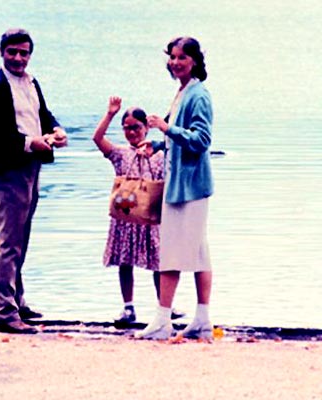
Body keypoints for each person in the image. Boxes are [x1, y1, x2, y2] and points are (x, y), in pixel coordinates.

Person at [0, 28, 68, 334]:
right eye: (12, 52)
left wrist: (56, 129)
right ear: (1, 51)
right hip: (7, 168)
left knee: (21, 236)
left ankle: (16, 301)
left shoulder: (30, 81)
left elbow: (42, 113)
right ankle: (3, 313)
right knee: (9, 240)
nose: (18, 58)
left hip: (30, 165)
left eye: (24, 53)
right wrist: (31, 143)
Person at [134, 37, 214, 340]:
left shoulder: (199, 95)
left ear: (194, 60)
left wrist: (166, 129)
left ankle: (162, 320)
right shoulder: (183, 92)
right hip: (183, 184)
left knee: (172, 253)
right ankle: (202, 320)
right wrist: (157, 144)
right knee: (198, 252)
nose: (175, 62)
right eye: (172, 57)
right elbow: (179, 140)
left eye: (182, 57)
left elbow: (201, 140)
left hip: (189, 187)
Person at [93, 97, 184, 328]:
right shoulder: (120, 154)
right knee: (125, 262)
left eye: (136, 127)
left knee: (159, 262)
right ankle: (128, 307)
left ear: (146, 127)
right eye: (127, 128)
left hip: (151, 217)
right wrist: (110, 114)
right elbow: (97, 138)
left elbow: (175, 151)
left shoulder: (159, 152)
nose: (132, 132)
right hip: (126, 217)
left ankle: (165, 306)